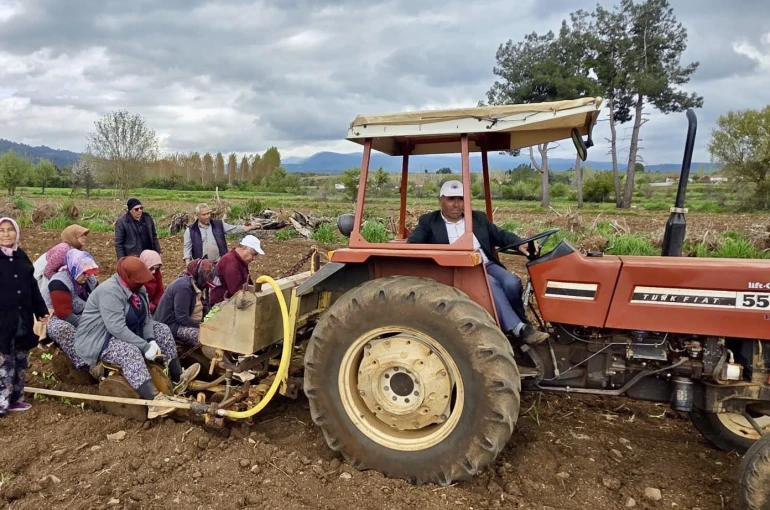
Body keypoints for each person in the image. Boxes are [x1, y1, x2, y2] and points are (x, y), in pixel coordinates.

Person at [407, 180, 549, 346]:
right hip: (459, 270)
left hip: (486, 264)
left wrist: (521, 243)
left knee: (512, 282)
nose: (456, 204)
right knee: (491, 285)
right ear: (441, 200)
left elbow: (501, 235)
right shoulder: (429, 222)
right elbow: (413, 246)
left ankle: (520, 320)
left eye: (460, 199)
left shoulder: (478, 218)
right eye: (451, 199)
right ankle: (518, 329)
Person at [73, 256, 199, 419]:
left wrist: (151, 339)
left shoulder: (139, 289)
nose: (142, 284)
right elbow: (116, 328)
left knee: (162, 329)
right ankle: (154, 402)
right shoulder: (109, 292)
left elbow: (146, 318)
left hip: (129, 328)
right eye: (138, 280)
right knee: (129, 352)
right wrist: (145, 346)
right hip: (99, 337)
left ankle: (177, 379)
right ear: (127, 277)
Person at [0, 217, 49, 416]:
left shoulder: (22, 257)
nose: (6, 234)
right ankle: (2, 402)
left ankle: (16, 399)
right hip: (2, 322)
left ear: (17, 233)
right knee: (4, 362)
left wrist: (41, 310)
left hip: (22, 319)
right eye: (1, 230)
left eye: (10, 230)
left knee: (20, 360)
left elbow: (32, 288)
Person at [42, 249, 100, 371]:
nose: (87, 275)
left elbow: (100, 299)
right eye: (83, 273)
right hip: (54, 317)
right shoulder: (59, 282)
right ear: (74, 268)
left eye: (88, 272)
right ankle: (86, 364)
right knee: (63, 329)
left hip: (81, 314)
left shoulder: (90, 280)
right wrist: (89, 328)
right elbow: (65, 314)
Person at [154, 258, 218, 348]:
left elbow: (204, 305)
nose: (209, 278)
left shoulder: (195, 284)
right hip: (171, 326)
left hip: (182, 323)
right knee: (205, 337)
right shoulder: (183, 288)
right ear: (199, 274)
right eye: (207, 275)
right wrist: (202, 326)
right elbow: (181, 318)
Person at [183, 203, 259, 265]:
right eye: (204, 214)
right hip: (201, 266)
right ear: (197, 215)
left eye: (208, 213)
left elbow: (233, 229)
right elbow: (187, 249)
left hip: (219, 263)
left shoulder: (218, 224)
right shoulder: (191, 230)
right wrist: (188, 266)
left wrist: (250, 227)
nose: (207, 216)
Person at [33, 224, 90, 294]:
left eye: (85, 235)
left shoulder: (77, 250)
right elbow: (47, 272)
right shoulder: (63, 250)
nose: (85, 237)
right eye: (82, 235)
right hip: (41, 276)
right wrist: (66, 280)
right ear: (73, 236)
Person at [209, 235, 264, 306]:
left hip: (232, 299)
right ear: (246, 249)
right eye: (253, 255)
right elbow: (236, 290)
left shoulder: (240, 261)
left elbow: (248, 283)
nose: (253, 258)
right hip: (221, 302)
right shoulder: (230, 261)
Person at [139, 250, 164, 315]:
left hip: (153, 304)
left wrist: (157, 305)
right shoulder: (137, 278)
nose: (154, 272)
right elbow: (138, 299)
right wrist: (152, 307)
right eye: (151, 268)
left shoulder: (157, 273)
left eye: (156, 268)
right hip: (141, 307)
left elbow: (160, 290)